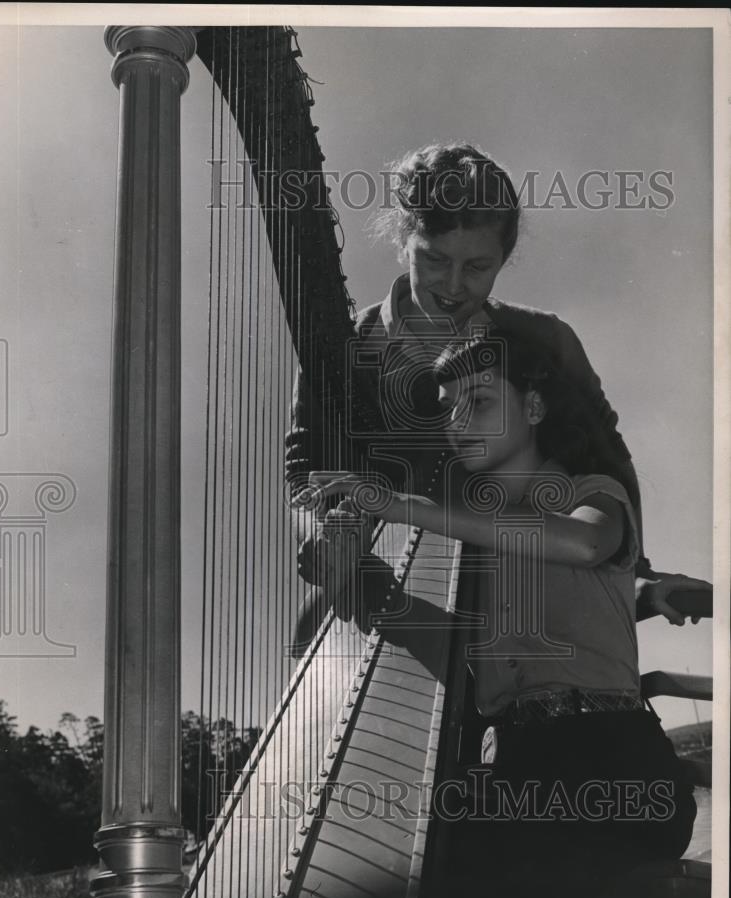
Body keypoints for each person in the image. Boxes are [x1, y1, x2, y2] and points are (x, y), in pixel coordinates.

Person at [305, 331, 699, 898]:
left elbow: (579, 543)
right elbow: (441, 650)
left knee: (482, 866)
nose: (458, 423)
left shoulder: (593, 494)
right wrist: (350, 579)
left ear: (536, 409)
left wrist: (401, 505)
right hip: (524, 773)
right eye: (449, 408)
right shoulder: (470, 554)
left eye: (480, 402)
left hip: (615, 768)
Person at [286, 142, 711, 629]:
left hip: (531, 599)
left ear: (505, 259)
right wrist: (329, 535)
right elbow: (305, 468)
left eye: (477, 268)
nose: (452, 285)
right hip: (382, 602)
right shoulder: (344, 347)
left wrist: (637, 578)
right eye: (434, 260)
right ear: (403, 240)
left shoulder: (544, 340)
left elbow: (603, 463)